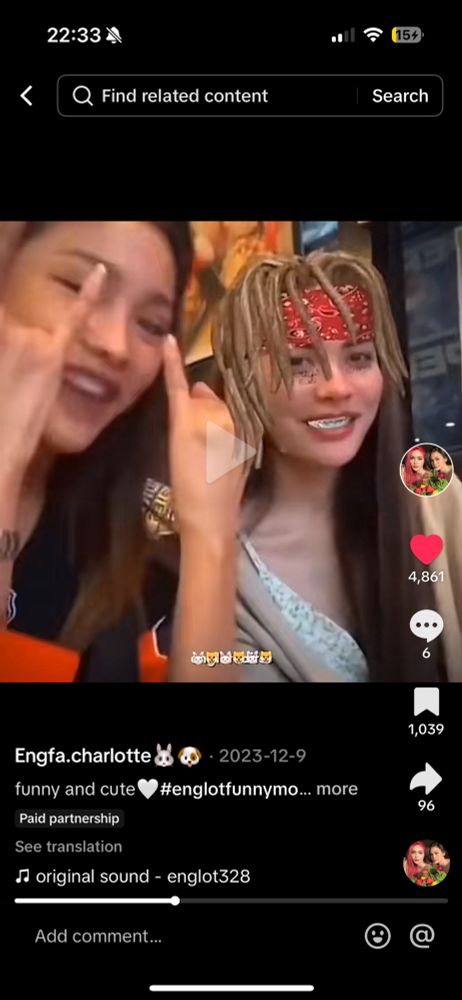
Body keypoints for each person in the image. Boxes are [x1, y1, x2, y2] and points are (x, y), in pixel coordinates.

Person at [164, 250, 462, 682]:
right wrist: (207, 537)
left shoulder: (430, 488)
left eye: (358, 358)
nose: (336, 387)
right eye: (298, 364)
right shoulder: (215, 553)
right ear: (242, 382)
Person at [0, 220, 195, 681]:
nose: (115, 346)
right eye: (78, 286)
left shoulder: (123, 542)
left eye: (151, 325)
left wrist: (212, 542)